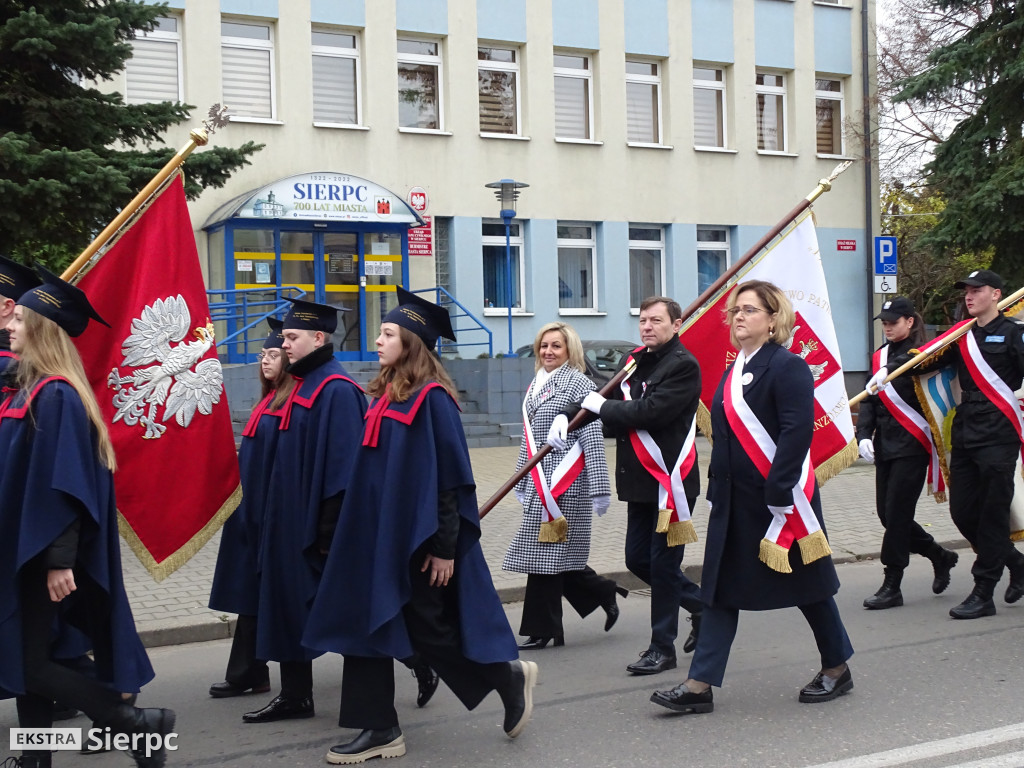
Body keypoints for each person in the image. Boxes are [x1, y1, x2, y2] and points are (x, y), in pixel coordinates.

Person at [304, 287, 537, 765]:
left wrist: (445, 548)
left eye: (389, 333)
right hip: (372, 539)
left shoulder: (433, 399)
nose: (379, 340)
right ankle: (380, 728)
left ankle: (505, 676)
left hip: (414, 541)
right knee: (365, 628)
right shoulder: (385, 393)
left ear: (411, 342)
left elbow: (451, 483)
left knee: (427, 630)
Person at [650, 280, 854, 716]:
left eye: (749, 310)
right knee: (719, 591)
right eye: (735, 311)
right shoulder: (732, 370)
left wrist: (778, 491)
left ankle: (837, 667)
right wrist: (714, 489)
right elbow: (723, 438)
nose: (738, 317)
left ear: (773, 319)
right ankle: (699, 685)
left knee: (809, 588)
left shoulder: (788, 367)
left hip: (780, 504)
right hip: (734, 503)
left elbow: (796, 433)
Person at [0, 268, 175, 768]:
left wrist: (59, 561)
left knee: (30, 664)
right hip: (19, 545)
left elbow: (66, 486)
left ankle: (139, 726)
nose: (11, 324)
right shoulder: (26, 389)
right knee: (34, 659)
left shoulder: (57, 395)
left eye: (22, 319)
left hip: (39, 552)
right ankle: (35, 758)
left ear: (42, 330)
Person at [549, 296, 702, 675]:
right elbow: (603, 398)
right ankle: (702, 606)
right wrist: (566, 418)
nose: (647, 327)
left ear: (677, 324)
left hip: (671, 484)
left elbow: (651, 413)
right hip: (639, 480)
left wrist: (602, 410)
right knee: (637, 559)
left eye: (656, 320)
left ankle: (661, 647)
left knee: (664, 566)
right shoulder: (634, 361)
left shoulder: (683, 366)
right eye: (643, 320)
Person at [869, 270, 1024, 619]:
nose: (969, 296)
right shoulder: (961, 337)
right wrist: (890, 370)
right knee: (962, 512)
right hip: (967, 433)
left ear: (996, 294)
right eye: (966, 292)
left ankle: (983, 590)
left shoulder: (1014, 334)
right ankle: (1016, 564)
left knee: (993, 513)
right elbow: (923, 360)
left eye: (977, 290)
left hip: (999, 433)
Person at [242, 298, 368, 724]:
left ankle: (418, 662)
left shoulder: (337, 390)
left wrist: (328, 538)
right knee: (286, 609)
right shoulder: (300, 385)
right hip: (285, 523)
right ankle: (296, 695)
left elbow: (345, 470)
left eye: (292, 337)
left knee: (345, 615)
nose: (285, 344)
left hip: (318, 531)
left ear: (318, 338)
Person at [503, 321, 623, 649]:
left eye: (556, 346)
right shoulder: (538, 383)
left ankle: (544, 629)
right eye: (544, 345)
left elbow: (592, 435)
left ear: (570, 350)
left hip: (566, 485)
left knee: (546, 555)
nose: (548, 351)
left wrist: (600, 486)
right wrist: (521, 477)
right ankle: (601, 592)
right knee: (552, 556)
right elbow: (531, 439)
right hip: (541, 482)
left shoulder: (578, 382)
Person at [207, 319, 291, 698]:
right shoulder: (266, 401)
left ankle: (412, 658)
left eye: (274, 354)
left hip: (275, 515)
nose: (266, 361)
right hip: (249, 514)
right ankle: (248, 672)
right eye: (263, 354)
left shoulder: (291, 402)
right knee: (250, 592)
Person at [857, 297, 959, 609]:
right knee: (886, 514)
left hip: (913, 444)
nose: (887, 326)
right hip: (886, 444)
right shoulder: (878, 358)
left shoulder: (925, 355)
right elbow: (869, 401)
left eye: (894, 321)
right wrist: (863, 434)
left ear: (910, 322)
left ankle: (892, 582)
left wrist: (890, 369)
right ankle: (940, 555)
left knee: (899, 514)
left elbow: (919, 368)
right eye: (884, 322)